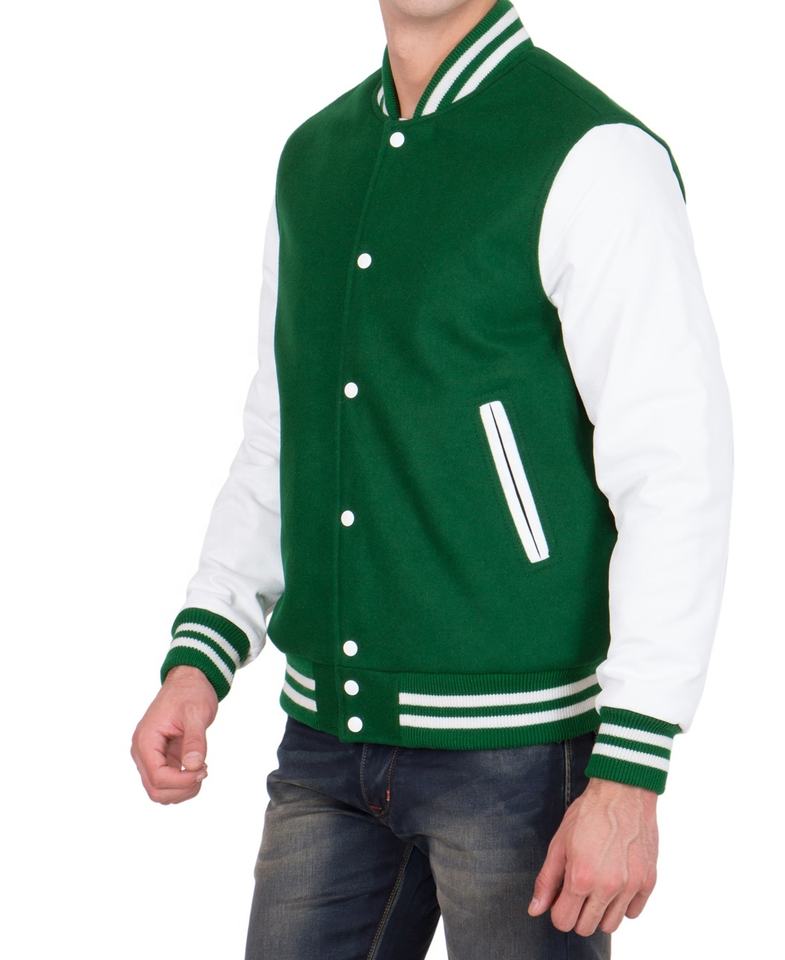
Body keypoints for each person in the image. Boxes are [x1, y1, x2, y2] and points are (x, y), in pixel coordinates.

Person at [131, 1, 734, 957]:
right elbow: (282, 433)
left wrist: (632, 766)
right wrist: (200, 657)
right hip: (325, 739)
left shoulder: (593, 155)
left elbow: (675, 469)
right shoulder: (314, 158)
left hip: (519, 754)